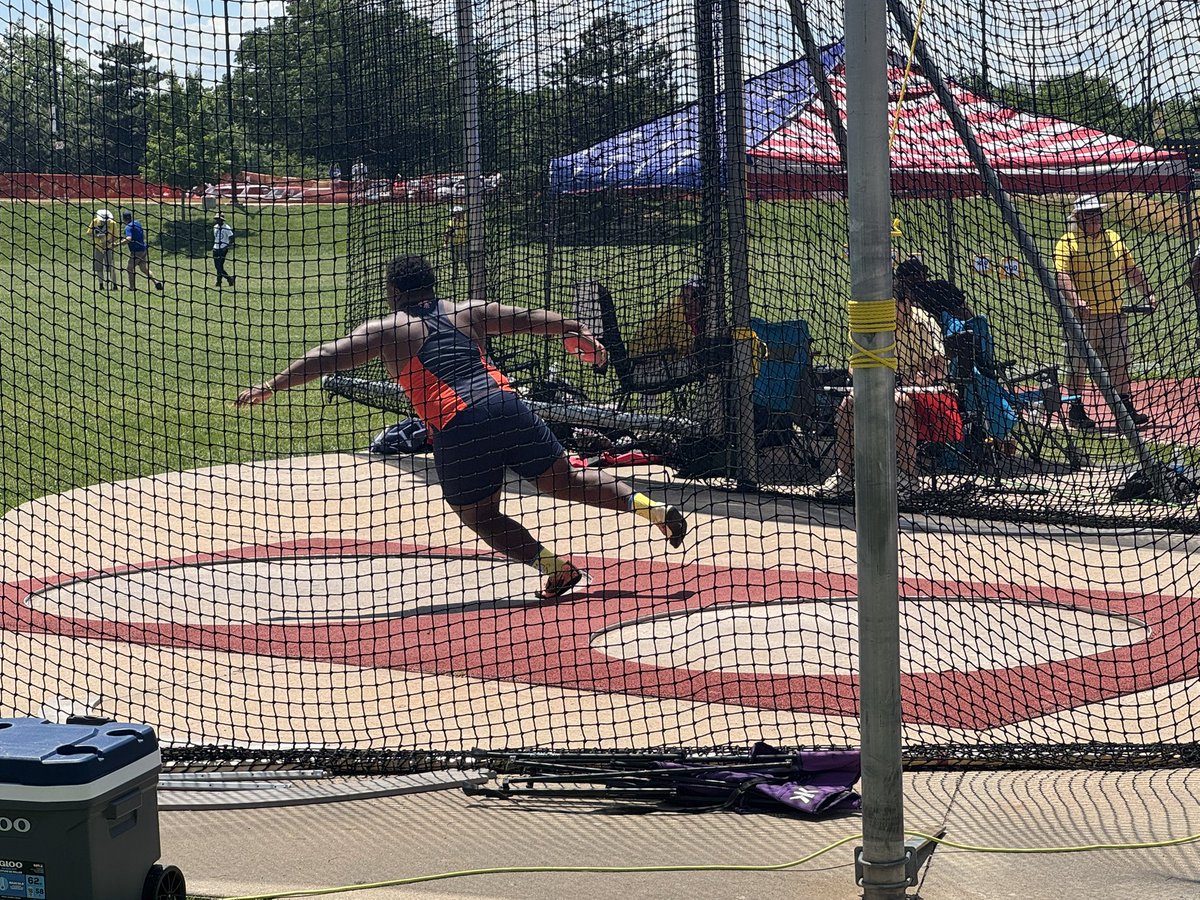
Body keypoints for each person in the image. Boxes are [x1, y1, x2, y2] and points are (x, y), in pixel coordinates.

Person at [233, 255, 688, 600]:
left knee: (481, 515)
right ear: (432, 285)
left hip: (457, 422)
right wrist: (577, 330)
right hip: (509, 404)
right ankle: (650, 508)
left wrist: (273, 385)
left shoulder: (387, 329)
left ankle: (556, 567)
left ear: (393, 291)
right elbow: (530, 319)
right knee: (565, 480)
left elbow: (326, 357)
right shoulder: (467, 311)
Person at [818, 283, 962, 501]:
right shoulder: (875, 320)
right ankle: (845, 476)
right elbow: (854, 364)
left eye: (893, 304)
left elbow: (939, 368)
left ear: (906, 304)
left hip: (924, 394)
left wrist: (913, 379)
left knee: (899, 402)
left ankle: (907, 478)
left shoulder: (923, 322)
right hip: (879, 388)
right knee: (848, 405)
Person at [1054, 194, 1156, 429]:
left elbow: (1131, 270)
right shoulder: (1067, 242)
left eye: (1098, 213)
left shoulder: (1113, 238)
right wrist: (1076, 300)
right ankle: (1076, 410)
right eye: (1090, 214)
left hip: (1114, 315)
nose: (1096, 217)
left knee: (1120, 364)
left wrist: (1148, 292)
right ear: (1078, 217)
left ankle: (1125, 411)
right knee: (1077, 366)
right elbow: (1062, 276)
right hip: (1083, 318)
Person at [120, 210, 163, 291]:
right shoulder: (137, 223)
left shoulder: (128, 227)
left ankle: (132, 288)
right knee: (143, 268)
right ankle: (156, 282)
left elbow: (128, 239)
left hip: (136, 251)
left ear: (123, 219)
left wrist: (118, 244)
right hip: (143, 249)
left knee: (129, 268)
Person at [87, 208, 119, 290]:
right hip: (98, 247)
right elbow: (89, 233)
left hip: (108, 248)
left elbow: (115, 236)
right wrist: (97, 236)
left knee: (111, 267)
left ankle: (114, 285)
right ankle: (101, 285)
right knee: (98, 267)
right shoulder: (94, 221)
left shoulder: (113, 223)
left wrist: (107, 242)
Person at [443, 205, 468, 280]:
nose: (456, 215)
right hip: (454, 245)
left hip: (463, 245)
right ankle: (454, 277)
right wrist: (445, 243)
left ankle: (471, 274)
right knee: (454, 262)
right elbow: (447, 233)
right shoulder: (452, 221)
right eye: (455, 213)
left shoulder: (466, 221)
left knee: (466, 261)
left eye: (457, 213)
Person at [212, 214, 235, 288]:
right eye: (216, 219)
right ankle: (229, 279)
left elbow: (231, 237)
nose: (217, 220)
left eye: (219, 219)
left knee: (219, 266)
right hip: (215, 248)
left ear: (222, 220)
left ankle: (219, 282)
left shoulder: (227, 228)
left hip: (223, 248)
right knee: (218, 266)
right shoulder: (215, 227)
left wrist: (227, 246)